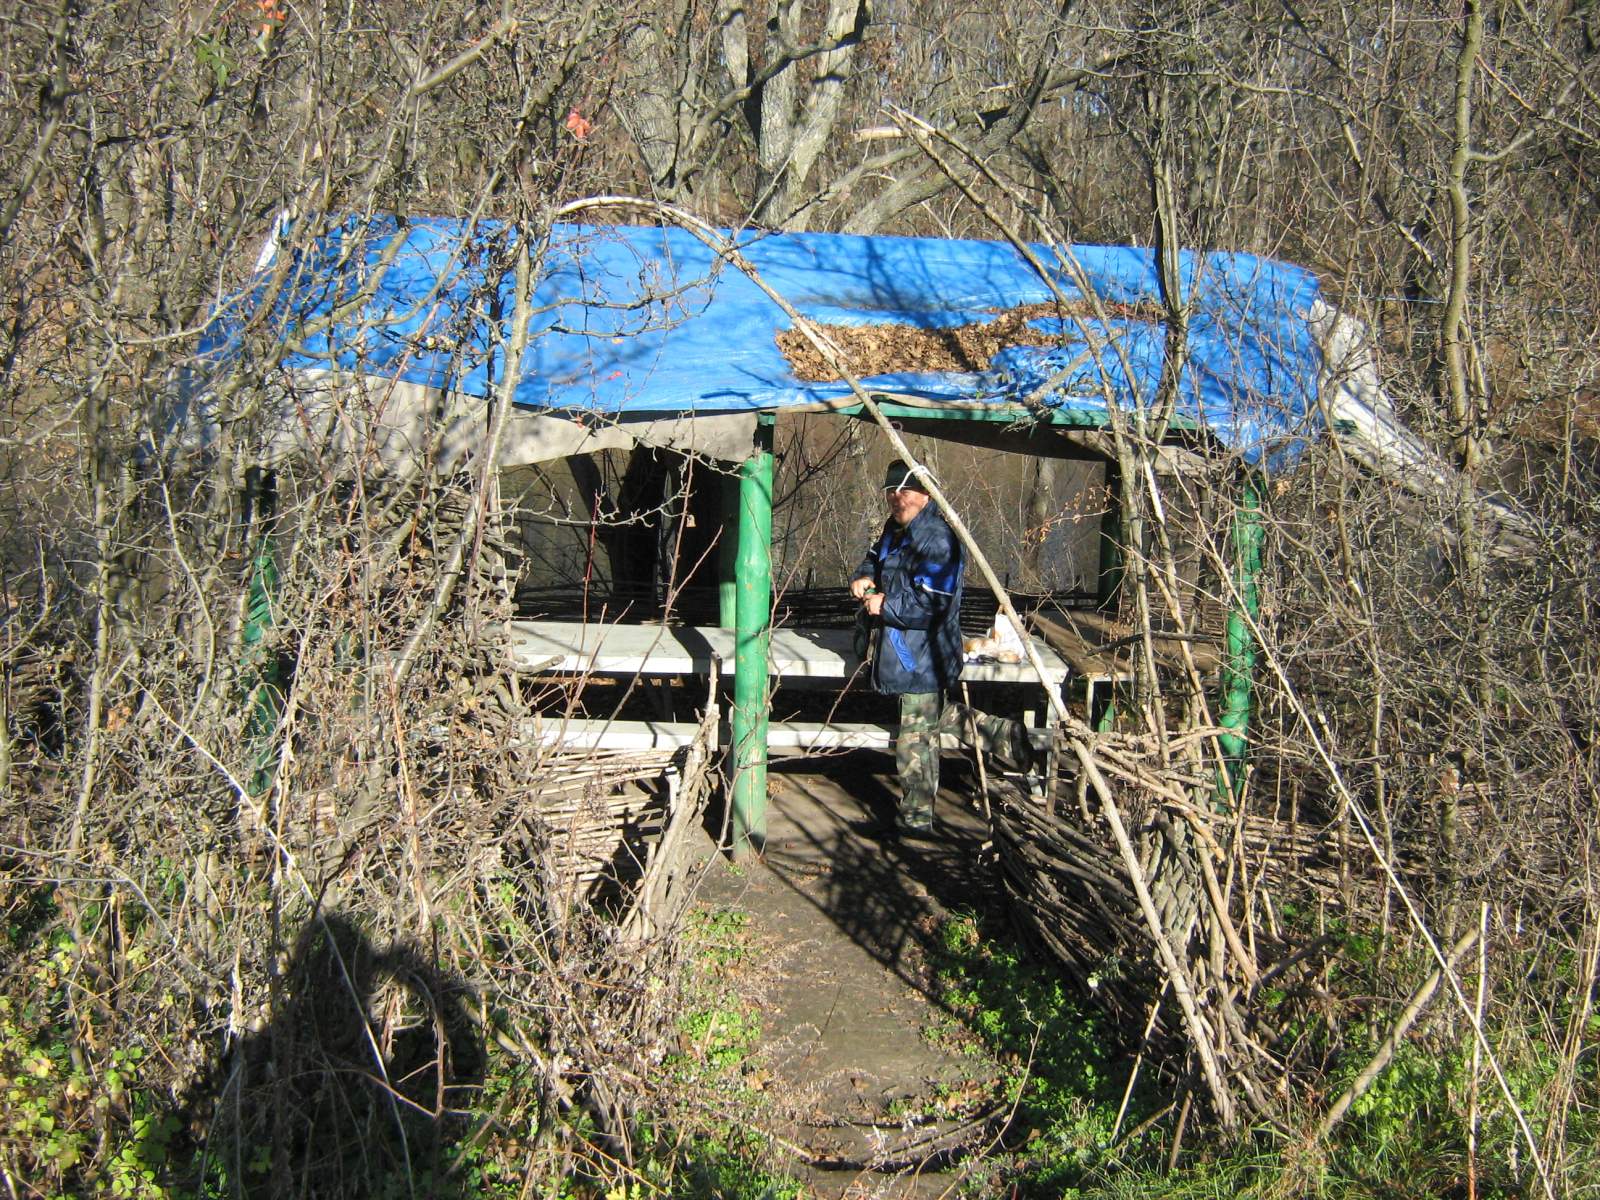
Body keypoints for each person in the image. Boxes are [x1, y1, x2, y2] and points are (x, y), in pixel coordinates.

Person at [850, 460, 1039, 836]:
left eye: (904, 491)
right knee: (929, 717)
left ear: (925, 494)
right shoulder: (895, 530)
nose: (895, 498)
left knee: (915, 738)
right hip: (903, 648)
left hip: (924, 653)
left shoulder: (937, 540)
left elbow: (932, 603)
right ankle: (1004, 736)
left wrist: (885, 605)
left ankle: (916, 820)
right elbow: (874, 557)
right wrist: (864, 575)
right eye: (890, 491)